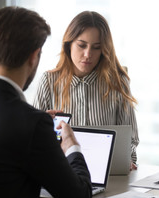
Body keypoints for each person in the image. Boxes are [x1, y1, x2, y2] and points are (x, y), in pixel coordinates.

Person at [0, 6, 92, 198]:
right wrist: (72, 146)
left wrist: (33, 122)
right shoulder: (30, 124)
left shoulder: (26, 121)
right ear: (34, 56)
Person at [33, 11, 139, 170]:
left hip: (109, 174)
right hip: (62, 173)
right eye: (81, 45)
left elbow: (131, 139)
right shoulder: (48, 81)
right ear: (69, 44)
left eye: (96, 48)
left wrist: (127, 160)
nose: (88, 54)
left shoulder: (118, 83)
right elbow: (32, 140)